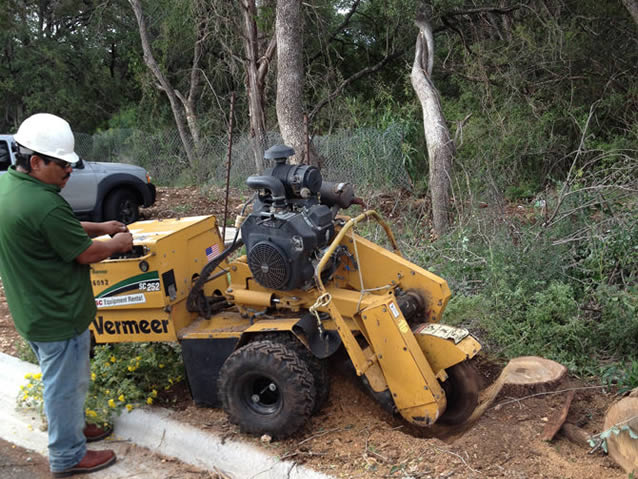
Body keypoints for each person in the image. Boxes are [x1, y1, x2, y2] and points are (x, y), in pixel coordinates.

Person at [0, 113, 133, 477]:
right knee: (65, 385)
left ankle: (70, 429)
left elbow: (57, 228)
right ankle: (67, 455)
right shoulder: (43, 204)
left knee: (61, 380)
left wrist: (99, 225)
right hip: (57, 314)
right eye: (62, 164)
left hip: (32, 309)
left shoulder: (10, 188)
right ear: (36, 160)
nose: (68, 171)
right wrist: (115, 242)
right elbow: (84, 252)